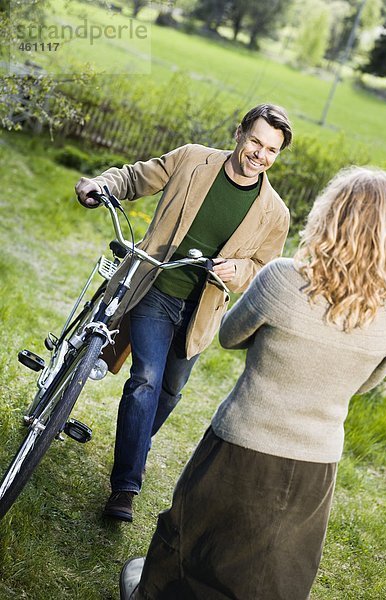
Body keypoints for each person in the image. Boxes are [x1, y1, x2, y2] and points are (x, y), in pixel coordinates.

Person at [118, 166, 386, 600]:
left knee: (189, 539)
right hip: (317, 464)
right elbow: (367, 383)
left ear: (328, 217)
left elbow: (229, 335)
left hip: (240, 441)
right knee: (277, 570)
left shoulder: (282, 279)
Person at [75, 104, 293, 522]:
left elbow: (264, 267)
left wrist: (240, 270)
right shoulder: (192, 159)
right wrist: (101, 184)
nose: (260, 155)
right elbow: (137, 177)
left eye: (271, 150)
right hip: (156, 286)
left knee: (171, 392)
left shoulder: (275, 213)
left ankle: (135, 446)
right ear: (238, 134)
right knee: (146, 380)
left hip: (201, 312)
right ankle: (125, 488)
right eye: (255, 142)